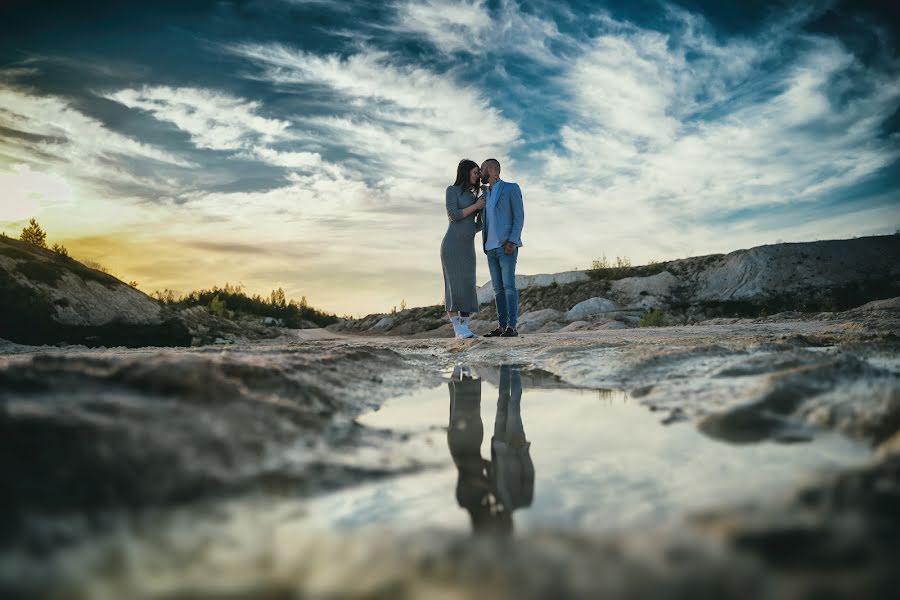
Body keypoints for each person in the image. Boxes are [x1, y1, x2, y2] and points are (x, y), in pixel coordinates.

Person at [479, 158, 524, 338]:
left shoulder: (511, 188)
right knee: (498, 289)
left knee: (509, 287)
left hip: (506, 246)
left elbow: (519, 216)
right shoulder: (485, 195)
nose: (480, 173)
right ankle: (502, 326)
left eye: (482, 170)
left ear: (490, 169)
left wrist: (512, 241)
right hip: (490, 248)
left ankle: (512, 327)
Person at [441, 159, 486, 339]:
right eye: (475, 172)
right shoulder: (452, 191)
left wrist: (482, 208)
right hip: (452, 246)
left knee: (468, 285)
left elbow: (474, 226)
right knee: (454, 287)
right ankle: (457, 329)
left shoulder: (473, 196)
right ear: (465, 172)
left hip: (468, 248)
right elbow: (454, 216)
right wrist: (476, 206)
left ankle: (465, 328)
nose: (477, 176)